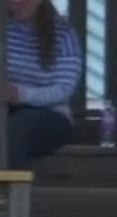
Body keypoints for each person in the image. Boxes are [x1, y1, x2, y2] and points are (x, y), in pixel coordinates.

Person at [4, 0, 82, 170]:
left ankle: (12, 193)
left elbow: (63, 89)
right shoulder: (5, 28)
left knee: (15, 132)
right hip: (6, 111)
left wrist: (20, 94)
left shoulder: (63, 34)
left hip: (50, 115)